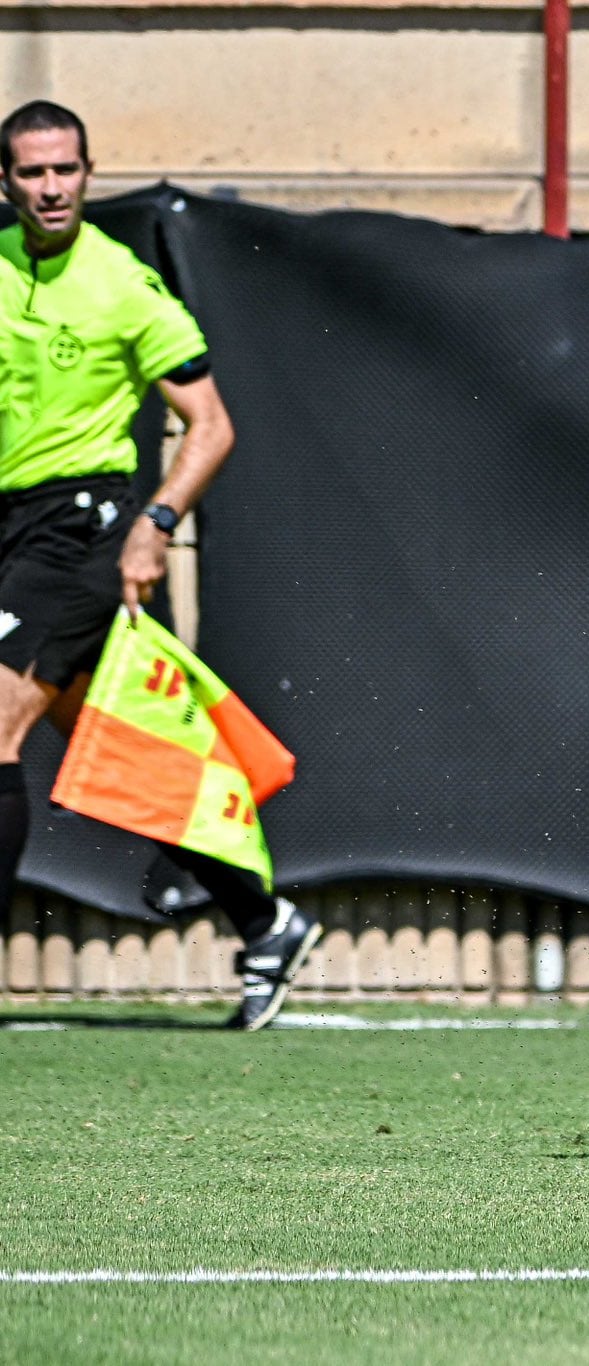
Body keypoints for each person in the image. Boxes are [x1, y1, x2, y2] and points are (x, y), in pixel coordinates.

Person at [0, 100, 321, 1030]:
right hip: (15, 531)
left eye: (66, 169)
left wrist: (154, 521)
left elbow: (210, 426)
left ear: (89, 173)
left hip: (83, 530)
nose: (52, 187)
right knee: (132, 752)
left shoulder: (122, 283)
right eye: (32, 172)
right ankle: (268, 922)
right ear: (7, 182)